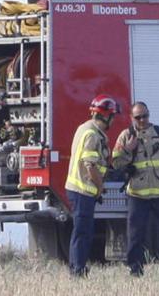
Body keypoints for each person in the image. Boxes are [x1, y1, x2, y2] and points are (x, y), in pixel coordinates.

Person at [112, 102, 159, 276]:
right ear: (131, 118)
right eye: (138, 117)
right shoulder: (126, 135)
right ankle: (135, 270)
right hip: (137, 194)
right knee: (136, 235)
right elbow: (115, 164)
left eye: (145, 116)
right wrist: (127, 150)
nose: (143, 120)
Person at [65, 94, 121, 277]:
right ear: (105, 116)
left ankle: (77, 267)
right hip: (83, 191)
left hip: (79, 190)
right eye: (112, 115)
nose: (113, 119)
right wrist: (100, 188)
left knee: (82, 231)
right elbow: (90, 165)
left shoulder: (85, 128)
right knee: (83, 232)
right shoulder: (92, 134)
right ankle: (77, 270)